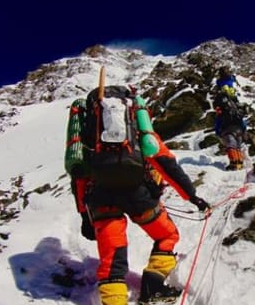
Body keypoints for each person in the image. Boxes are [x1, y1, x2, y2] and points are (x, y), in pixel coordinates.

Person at [66, 84, 210, 305]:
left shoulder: (90, 136)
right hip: (138, 195)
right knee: (166, 235)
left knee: (112, 259)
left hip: (100, 199)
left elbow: (79, 177)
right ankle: (153, 286)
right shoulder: (137, 132)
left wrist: (85, 216)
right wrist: (192, 197)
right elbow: (166, 163)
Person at [213, 68, 247, 171]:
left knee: (230, 144)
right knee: (237, 145)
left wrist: (217, 129)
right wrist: (244, 128)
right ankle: (239, 163)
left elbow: (219, 116)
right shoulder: (235, 100)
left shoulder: (220, 99)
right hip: (239, 127)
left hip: (227, 126)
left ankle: (234, 163)